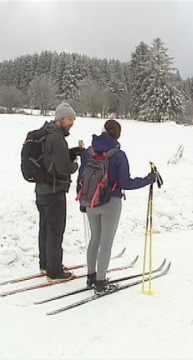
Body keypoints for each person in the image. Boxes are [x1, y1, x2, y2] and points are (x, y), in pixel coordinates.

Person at [77, 119, 156, 294]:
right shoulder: (119, 155)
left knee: (94, 238)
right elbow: (125, 183)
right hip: (111, 203)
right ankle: (101, 283)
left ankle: (91, 276)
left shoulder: (88, 152)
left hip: (91, 201)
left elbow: (81, 177)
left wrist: (83, 200)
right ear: (118, 134)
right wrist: (147, 179)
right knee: (106, 241)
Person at [36, 101, 81, 282]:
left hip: (41, 190)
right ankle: (54, 272)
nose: (72, 123)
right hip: (55, 191)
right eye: (70, 119)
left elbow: (51, 159)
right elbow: (63, 168)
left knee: (45, 228)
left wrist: (69, 152)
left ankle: (45, 264)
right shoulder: (57, 138)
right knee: (55, 230)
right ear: (61, 119)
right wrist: (75, 164)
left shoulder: (46, 133)